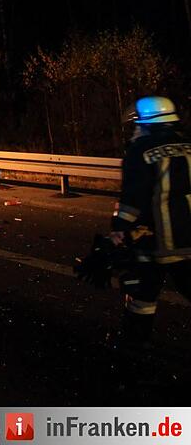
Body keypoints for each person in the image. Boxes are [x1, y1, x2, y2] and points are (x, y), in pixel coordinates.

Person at [108, 96, 191, 349]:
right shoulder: (187, 144)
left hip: (157, 238)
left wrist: (120, 229)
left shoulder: (141, 149)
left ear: (146, 121)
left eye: (136, 124)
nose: (134, 129)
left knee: (143, 293)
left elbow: (134, 197)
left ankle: (135, 343)